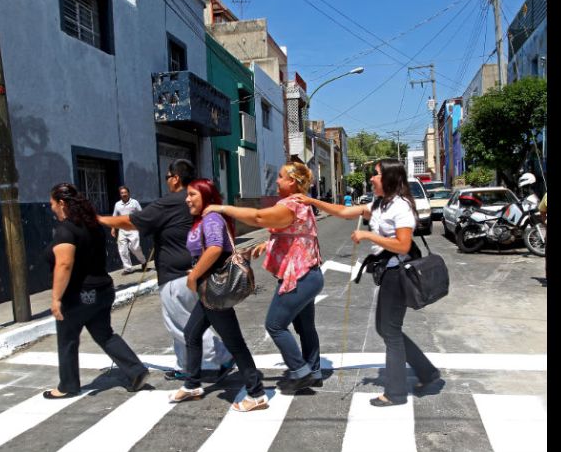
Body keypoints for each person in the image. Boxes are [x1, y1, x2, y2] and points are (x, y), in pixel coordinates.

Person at [296, 159, 442, 406]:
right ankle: (427, 371)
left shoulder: (401, 208)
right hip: (388, 274)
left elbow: (403, 245)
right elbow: (343, 212)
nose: (372, 179)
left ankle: (396, 393)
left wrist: (367, 235)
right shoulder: (379, 205)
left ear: (389, 178)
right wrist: (312, 201)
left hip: (399, 275)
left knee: (390, 331)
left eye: (376, 175)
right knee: (386, 329)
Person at [97, 160, 234, 381]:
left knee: (181, 325)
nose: (167, 181)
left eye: (168, 177)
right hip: (196, 270)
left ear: (176, 178)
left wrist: (99, 219)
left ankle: (221, 358)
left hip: (176, 275)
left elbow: (132, 222)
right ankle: (187, 365)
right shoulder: (197, 199)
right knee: (185, 323)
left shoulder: (171, 202)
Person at [203, 162, 323, 393]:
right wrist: (268, 243)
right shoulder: (302, 204)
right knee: (305, 326)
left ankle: (300, 372)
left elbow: (258, 217)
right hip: (311, 274)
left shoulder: (291, 205)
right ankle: (314, 370)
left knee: (275, 325)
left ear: (293, 182)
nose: (276, 181)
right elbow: (298, 234)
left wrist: (223, 208)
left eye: (280, 177)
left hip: (299, 277)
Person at [169, 179, 268, 411]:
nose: (187, 199)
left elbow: (214, 249)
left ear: (205, 195)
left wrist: (193, 276)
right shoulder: (202, 219)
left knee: (234, 342)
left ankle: (257, 394)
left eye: (192, 194)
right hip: (208, 291)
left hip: (213, 289)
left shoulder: (212, 218)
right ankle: (192, 383)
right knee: (191, 334)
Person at [44, 183, 149, 399]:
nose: (52, 208)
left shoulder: (66, 230)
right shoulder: (92, 225)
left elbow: (64, 264)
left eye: (53, 204)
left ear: (62, 203)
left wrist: (56, 298)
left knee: (67, 338)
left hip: (79, 294)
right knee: (104, 334)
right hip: (102, 289)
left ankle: (67, 386)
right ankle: (136, 371)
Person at [111, 186, 147, 275]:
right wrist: (112, 228)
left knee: (135, 248)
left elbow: (141, 213)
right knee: (122, 250)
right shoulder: (117, 204)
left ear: (128, 193)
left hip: (133, 228)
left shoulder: (134, 203)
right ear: (120, 194)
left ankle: (143, 262)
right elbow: (114, 217)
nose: (123, 194)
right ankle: (128, 268)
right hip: (122, 229)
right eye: (122, 193)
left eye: (125, 193)